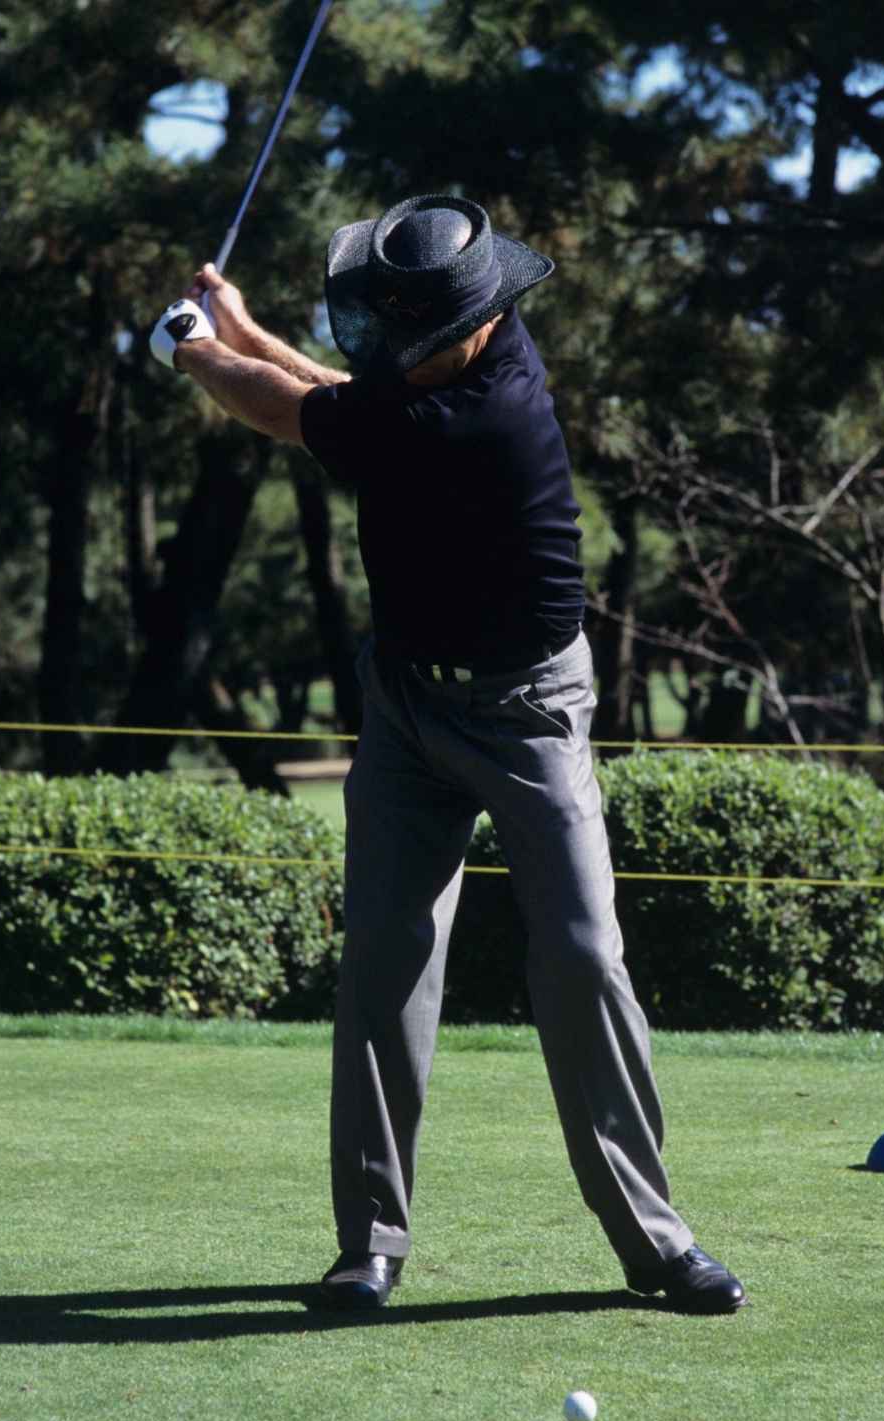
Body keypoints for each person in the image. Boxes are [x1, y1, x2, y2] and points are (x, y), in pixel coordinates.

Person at [150, 194, 747, 1316]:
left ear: (473, 324)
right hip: (406, 707)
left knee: (583, 955)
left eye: (414, 336)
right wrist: (237, 318)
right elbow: (340, 392)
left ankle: (657, 1244)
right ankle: (368, 1244)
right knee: (383, 962)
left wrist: (190, 350)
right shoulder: (433, 370)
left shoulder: (484, 414)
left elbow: (287, 409)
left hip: (527, 714)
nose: (399, 350)